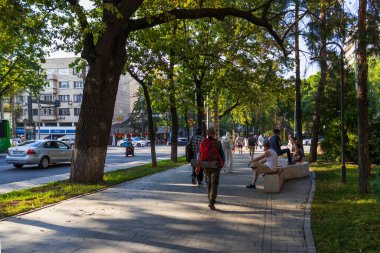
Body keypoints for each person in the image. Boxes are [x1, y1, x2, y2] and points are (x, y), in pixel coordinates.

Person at [199, 127, 225, 210]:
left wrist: (199, 165)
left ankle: (209, 197)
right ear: (214, 133)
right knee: (214, 183)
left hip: (206, 165)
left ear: (208, 133)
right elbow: (222, 155)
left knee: (208, 182)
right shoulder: (218, 143)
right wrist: (222, 164)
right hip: (215, 165)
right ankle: (211, 201)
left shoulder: (203, 142)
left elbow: (200, 154)